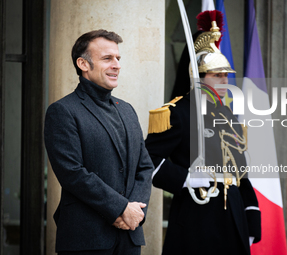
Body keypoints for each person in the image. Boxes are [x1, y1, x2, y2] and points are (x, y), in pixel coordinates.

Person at [145, 11, 261, 255]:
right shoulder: (177, 113)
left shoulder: (228, 116)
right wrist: (185, 178)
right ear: (198, 77)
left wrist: (251, 217)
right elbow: (146, 161)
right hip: (196, 216)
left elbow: (241, 172)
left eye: (225, 75)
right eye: (216, 75)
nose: (223, 81)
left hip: (234, 218)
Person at [44, 29, 154, 255]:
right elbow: (72, 173)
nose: (117, 65)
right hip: (86, 239)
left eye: (118, 58)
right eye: (107, 58)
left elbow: (145, 168)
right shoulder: (63, 111)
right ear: (83, 64)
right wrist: (121, 208)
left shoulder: (127, 110)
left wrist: (134, 212)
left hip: (129, 237)